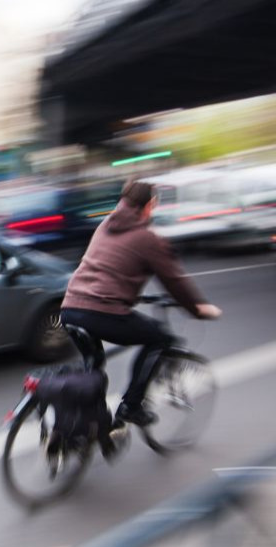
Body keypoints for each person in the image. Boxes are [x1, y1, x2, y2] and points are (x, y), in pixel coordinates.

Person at [60, 180, 222, 427]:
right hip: (102, 312)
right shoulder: (147, 238)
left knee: (94, 365)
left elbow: (108, 267)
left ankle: (87, 424)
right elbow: (174, 280)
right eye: (154, 205)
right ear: (149, 205)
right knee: (160, 339)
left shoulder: (105, 225)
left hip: (70, 309)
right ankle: (131, 406)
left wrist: (131, 295)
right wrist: (198, 308)